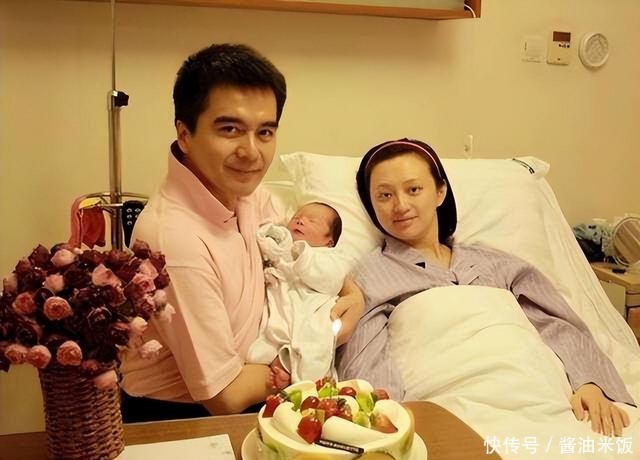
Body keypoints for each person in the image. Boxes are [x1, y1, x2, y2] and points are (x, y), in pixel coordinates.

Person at [119, 43, 363, 422]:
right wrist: (306, 352)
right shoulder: (175, 241)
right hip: (181, 419)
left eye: (265, 132)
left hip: (258, 384)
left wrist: (354, 295)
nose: (251, 152)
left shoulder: (246, 193)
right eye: (230, 129)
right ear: (184, 134)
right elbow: (225, 395)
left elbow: (296, 249)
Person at [336, 138, 634, 437]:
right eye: (384, 195)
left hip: (541, 394)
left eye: (413, 189)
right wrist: (396, 423)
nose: (400, 205)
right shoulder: (370, 275)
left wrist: (589, 383)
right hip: (450, 408)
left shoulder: (498, 263)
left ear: (440, 192)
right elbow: (366, 361)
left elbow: (556, 323)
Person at [248, 202, 350, 387]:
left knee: (311, 348)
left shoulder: (331, 257)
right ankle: (281, 368)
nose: (301, 220)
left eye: (312, 221)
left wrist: (304, 257)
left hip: (310, 311)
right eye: (297, 217)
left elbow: (332, 282)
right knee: (261, 347)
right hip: (280, 309)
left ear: (329, 241)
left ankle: (302, 379)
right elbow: (267, 248)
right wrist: (272, 239)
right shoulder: (284, 248)